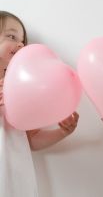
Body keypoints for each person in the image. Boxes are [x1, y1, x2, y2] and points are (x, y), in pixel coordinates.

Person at [0, 10, 79, 197]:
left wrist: (62, 132)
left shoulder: (21, 87)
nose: (20, 44)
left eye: (22, 41)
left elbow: (32, 140)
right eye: (11, 36)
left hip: (14, 177)